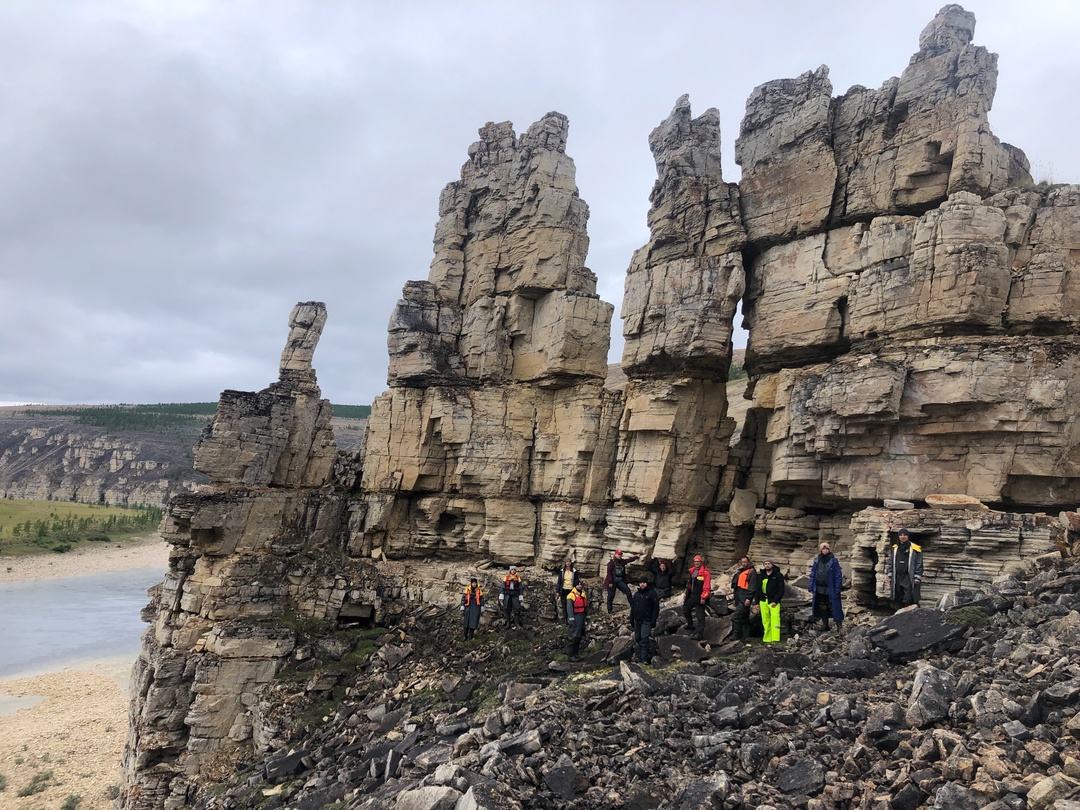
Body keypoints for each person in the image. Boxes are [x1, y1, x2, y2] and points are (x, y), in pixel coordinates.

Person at [809, 542, 844, 633]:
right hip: (819, 588)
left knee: (834, 606)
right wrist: (811, 586)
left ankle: (839, 626)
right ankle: (825, 625)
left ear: (829, 550)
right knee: (822, 606)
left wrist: (838, 588)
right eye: (823, 549)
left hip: (831, 588)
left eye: (826, 549)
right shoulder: (817, 561)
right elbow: (813, 574)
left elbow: (838, 575)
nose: (825, 550)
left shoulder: (833, 561)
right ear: (821, 550)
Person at [887, 529, 923, 607]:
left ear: (908, 536)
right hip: (897, 575)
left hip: (908, 576)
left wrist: (917, 577)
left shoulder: (915, 548)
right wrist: (890, 575)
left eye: (905, 535)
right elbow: (891, 562)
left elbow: (919, 563)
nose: (903, 537)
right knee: (898, 594)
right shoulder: (895, 548)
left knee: (909, 595)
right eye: (901, 535)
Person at [630, 575, 660, 664]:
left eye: (644, 583)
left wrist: (653, 620)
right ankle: (639, 657)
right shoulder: (637, 594)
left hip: (646, 620)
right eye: (641, 583)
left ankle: (644, 659)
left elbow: (656, 608)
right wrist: (631, 619)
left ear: (646, 583)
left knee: (644, 638)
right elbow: (633, 607)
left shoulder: (652, 593)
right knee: (638, 638)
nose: (642, 584)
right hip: (637, 620)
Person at [683, 554, 711, 640]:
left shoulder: (705, 573)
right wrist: (685, 593)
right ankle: (690, 625)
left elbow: (707, 587)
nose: (696, 563)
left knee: (700, 617)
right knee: (685, 609)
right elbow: (689, 584)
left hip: (700, 597)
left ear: (701, 562)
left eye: (698, 562)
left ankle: (699, 634)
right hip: (691, 595)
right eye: (695, 561)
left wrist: (703, 597)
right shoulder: (692, 571)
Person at [730, 556, 758, 641]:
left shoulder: (752, 573)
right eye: (742, 562)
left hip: (745, 597)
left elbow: (752, 587)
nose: (743, 564)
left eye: (745, 562)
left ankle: (736, 634)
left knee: (737, 616)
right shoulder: (741, 572)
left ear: (748, 562)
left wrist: (749, 598)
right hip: (739, 596)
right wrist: (736, 599)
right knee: (744, 617)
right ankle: (745, 635)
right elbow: (736, 587)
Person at [757, 558, 785, 643]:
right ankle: (767, 638)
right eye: (765, 564)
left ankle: (775, 638)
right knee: (765, 620)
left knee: (775, 619)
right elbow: (757, 588)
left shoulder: (778, 575)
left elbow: (781, 590)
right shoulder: (761, 575)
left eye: (769, 564)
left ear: (772, 565)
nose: (767, 565)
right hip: (763, 600)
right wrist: (757, 601)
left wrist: (776, 601)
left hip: (773, 600)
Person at [605, 549, 640, 614]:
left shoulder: (622, 562)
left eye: (620, 554)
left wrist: (636, 556)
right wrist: (610, 582)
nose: (619, 555)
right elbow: (609, 573)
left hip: (619, 581)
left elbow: (629, 560)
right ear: (615, 554)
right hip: (612, 582)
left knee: (628, 592)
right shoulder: (611, 563)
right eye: (618, 554)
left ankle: (633, 606)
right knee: (611, 596)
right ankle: (609, 610)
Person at [565, 581, 589, 662]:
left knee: (579, 637)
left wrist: (587, 616)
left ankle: (576, 654)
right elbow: (569, 608)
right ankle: (571, 655)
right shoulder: (571, 595)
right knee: (574, 637)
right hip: (575, 617)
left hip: (582, 617)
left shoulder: (583, 594)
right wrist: (571, 619)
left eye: (580, 584)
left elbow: (586, 606)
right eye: (578, 585)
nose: (579, 586)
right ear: (575, 586)